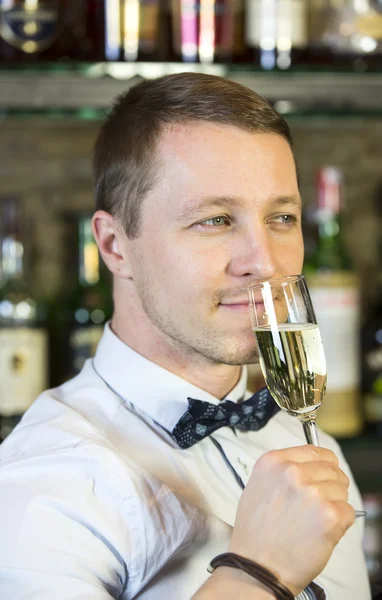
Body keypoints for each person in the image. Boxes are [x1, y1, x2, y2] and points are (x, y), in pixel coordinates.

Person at [0, 73, 370, 600]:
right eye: (215, 220)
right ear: (114, 245)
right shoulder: (41, 488)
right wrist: (256, 572)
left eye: (282, 217)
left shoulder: (308, 442)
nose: (265, 262)